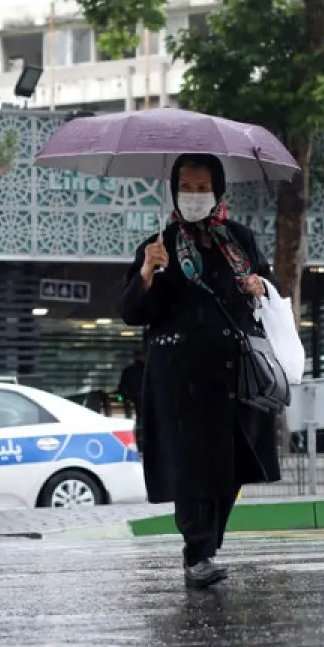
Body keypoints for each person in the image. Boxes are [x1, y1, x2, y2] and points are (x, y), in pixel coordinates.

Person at [121, 153, 281, 588]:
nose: (194, 196)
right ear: (174, 190)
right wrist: (147, 272)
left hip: (235, 375)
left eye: (202, 188)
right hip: (181, 380)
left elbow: (268, 289)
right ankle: (198, 554)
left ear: (218, 191)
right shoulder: (160, 244)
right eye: (186, 188)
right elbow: (133, 312)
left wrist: (257, 285)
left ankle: (207, 546)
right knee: (192, 468)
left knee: (230, 467)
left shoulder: (239, 239)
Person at [115, 350, 146, 419]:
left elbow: (122, 387)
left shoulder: (128, 370)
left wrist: (121, 398)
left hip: (131, 399)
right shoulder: (149, 371)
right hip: (145, 398)